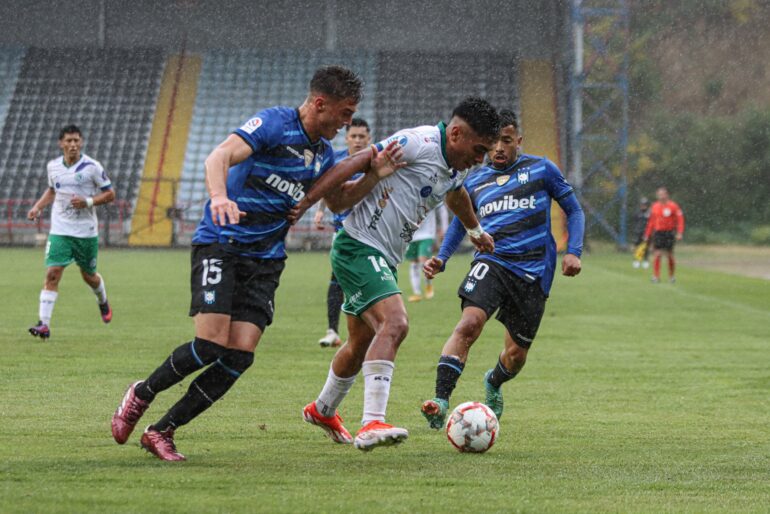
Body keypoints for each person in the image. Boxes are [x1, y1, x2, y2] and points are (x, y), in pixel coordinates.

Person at [110, 66, 400, 461]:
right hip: (222, 245)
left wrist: (375, 176)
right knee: (210, 343)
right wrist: (218, 198)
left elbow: (338, 202)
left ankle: (163, 431)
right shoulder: (274, 123)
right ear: (320, 104)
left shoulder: (323, 154)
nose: (348, 122)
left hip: (266, 259)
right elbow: (220, 155)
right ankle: (141, 393)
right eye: (345, 112)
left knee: (240, 354)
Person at [289, 96, 499, 451]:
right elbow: (358, 160)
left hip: (384, 257)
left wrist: (475, 230)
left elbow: (455, 192)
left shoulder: (459, 164)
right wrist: (308, 202)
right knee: (396, 323)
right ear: (457, 133)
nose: (480, 159)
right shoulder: (418, 142)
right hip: (358, 246)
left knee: (358, 345)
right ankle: (372, 421)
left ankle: (323, 409)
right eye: (479, 149)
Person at [420, 109, 585, 428]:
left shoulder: (541, 169)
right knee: (468, 324)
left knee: (515, 356)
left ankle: (493, 382)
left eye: (506, 141)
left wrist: (573, 251)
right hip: (492, 261)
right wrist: (442, 257)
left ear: (519, 141)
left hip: (534, 272)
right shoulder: (475, 178)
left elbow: (574, 210)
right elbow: (460, 222)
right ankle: (440, 400)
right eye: (493, 142)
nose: (498, 148)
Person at [26, 125, 115, 340]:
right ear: (61, 143)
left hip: (85, 232)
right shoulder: (53, 166)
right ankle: (44, 325)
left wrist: (88, 201)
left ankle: (102, 301)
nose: (73, 144)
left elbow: (110, 194)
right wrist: (38, 206)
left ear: (81, 142)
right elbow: (52, 189)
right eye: (69, 141)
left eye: (76, 140)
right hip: (60, 230)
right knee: (52, 273)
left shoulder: (92, 167)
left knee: (89, 276)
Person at [313, 118, 372, 347]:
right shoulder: (336, 159)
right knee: (337, 280)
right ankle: (332, 331)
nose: (357, 141)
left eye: (361, 137)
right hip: (342, 231)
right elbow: (327, 186)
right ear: (346, 138)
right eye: (353, 136)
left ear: (369, 138)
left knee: (365, 281)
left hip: (370, 232)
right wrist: (320, 211)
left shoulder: (374, 161)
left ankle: (366, 332)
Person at [644, 187, 684, 283]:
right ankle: (656, 276)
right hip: (658, 233)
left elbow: (680, 220)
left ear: (667, 195)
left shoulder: (673, 206)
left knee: (669, 255)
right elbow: (651, 221)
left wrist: (679, 232)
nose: (661, 196)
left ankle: (671, 276)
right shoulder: (654, 206)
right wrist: (647, 233)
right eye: (659, 194)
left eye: (663, 194)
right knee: (657, 254)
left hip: (669, 232)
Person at [405, 208, 438, 302]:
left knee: (423, 261)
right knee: (414, 263)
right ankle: (417, 293)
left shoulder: (430, 195)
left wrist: (443, 228)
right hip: (412, 235)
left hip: (427, 234)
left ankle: (428, 284)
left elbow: (441, 209)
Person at [631, 197, 651, 269]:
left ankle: (645, 261)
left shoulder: (650, 213)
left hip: (646, 233)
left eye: (645, 204)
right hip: (638, 232)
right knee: (637, 247)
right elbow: (634, 222)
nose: (643, 206)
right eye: (642, 204)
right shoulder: (637, 213)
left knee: (645, 247)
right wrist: (635, 230)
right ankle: (637, 261)